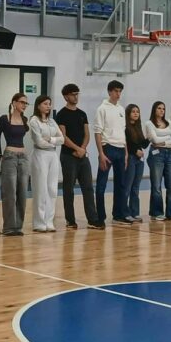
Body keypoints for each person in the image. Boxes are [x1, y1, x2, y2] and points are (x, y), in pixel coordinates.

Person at [55, 84, 100, 230]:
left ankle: (92, 219)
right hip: (68, 156)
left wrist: (83, 149)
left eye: (77, 94)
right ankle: (70, 220)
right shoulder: (61, 114)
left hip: (82, 155)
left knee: (88, 187)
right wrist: (76, 149)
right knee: (69, 189)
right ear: (66, 96)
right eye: (73, 94)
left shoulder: (82, 114)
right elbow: (63, 136)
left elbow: (87, 134)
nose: (76, 97)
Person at [28, 94, 65, 232]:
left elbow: (62, 139)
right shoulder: (34, 121)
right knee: (41, 189)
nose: (48, 106)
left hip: (52, 155)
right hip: (40, 155)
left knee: (52, 189)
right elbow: (39, 142)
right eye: (45, 104)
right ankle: (39, 222)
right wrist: (53, 141)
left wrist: (51, 139)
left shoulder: (52, 121)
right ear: (38, 106)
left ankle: (49, 221)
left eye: (49, 104)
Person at [93, 80, 128, 224]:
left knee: (121, 184)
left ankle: (119, 214)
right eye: (116, 91)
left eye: (120, 91)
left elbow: (123, 132)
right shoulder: (102, 109)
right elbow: (97, 132)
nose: (118, 94)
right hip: (107, 148)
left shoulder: (121, 109)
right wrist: (101, 153)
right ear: (109, 92)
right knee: (101, 184)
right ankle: (100, 217)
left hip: (121, 149)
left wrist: (126, 153)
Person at [0, 93, 30, 236]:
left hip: (23, 157)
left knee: (22, 193)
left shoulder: (25, 120)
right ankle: (9, 227)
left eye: (26, 103)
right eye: (22, 102)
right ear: (14, 103)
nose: (24, 105)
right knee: (9, 193)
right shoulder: (5, 119)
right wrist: (0, 155)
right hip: (9, 156)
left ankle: (18, 227)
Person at [146, 101, 171, 221]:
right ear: (154, 110)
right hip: (157, 154)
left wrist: (164, 141)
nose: (162, 111)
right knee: (156, 185)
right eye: (159, 108)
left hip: (170, 153)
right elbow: (155, 140)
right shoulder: (149, 123)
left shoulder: (169, 122)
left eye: (163, 109)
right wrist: (168, 137)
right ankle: (156, 213)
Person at [122, 104, 149, 223]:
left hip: (139, 160)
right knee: (127, 186)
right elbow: (126, 143)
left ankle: (135, 212)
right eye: (133, 111)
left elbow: (143, 144)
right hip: (131, 158)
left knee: (136, 187)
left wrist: (149, 137)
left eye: (137, 111)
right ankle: (125, 213)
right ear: (128, 114)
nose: (136, 113)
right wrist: (135, 151)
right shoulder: (125, 127)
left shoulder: (138, 127)